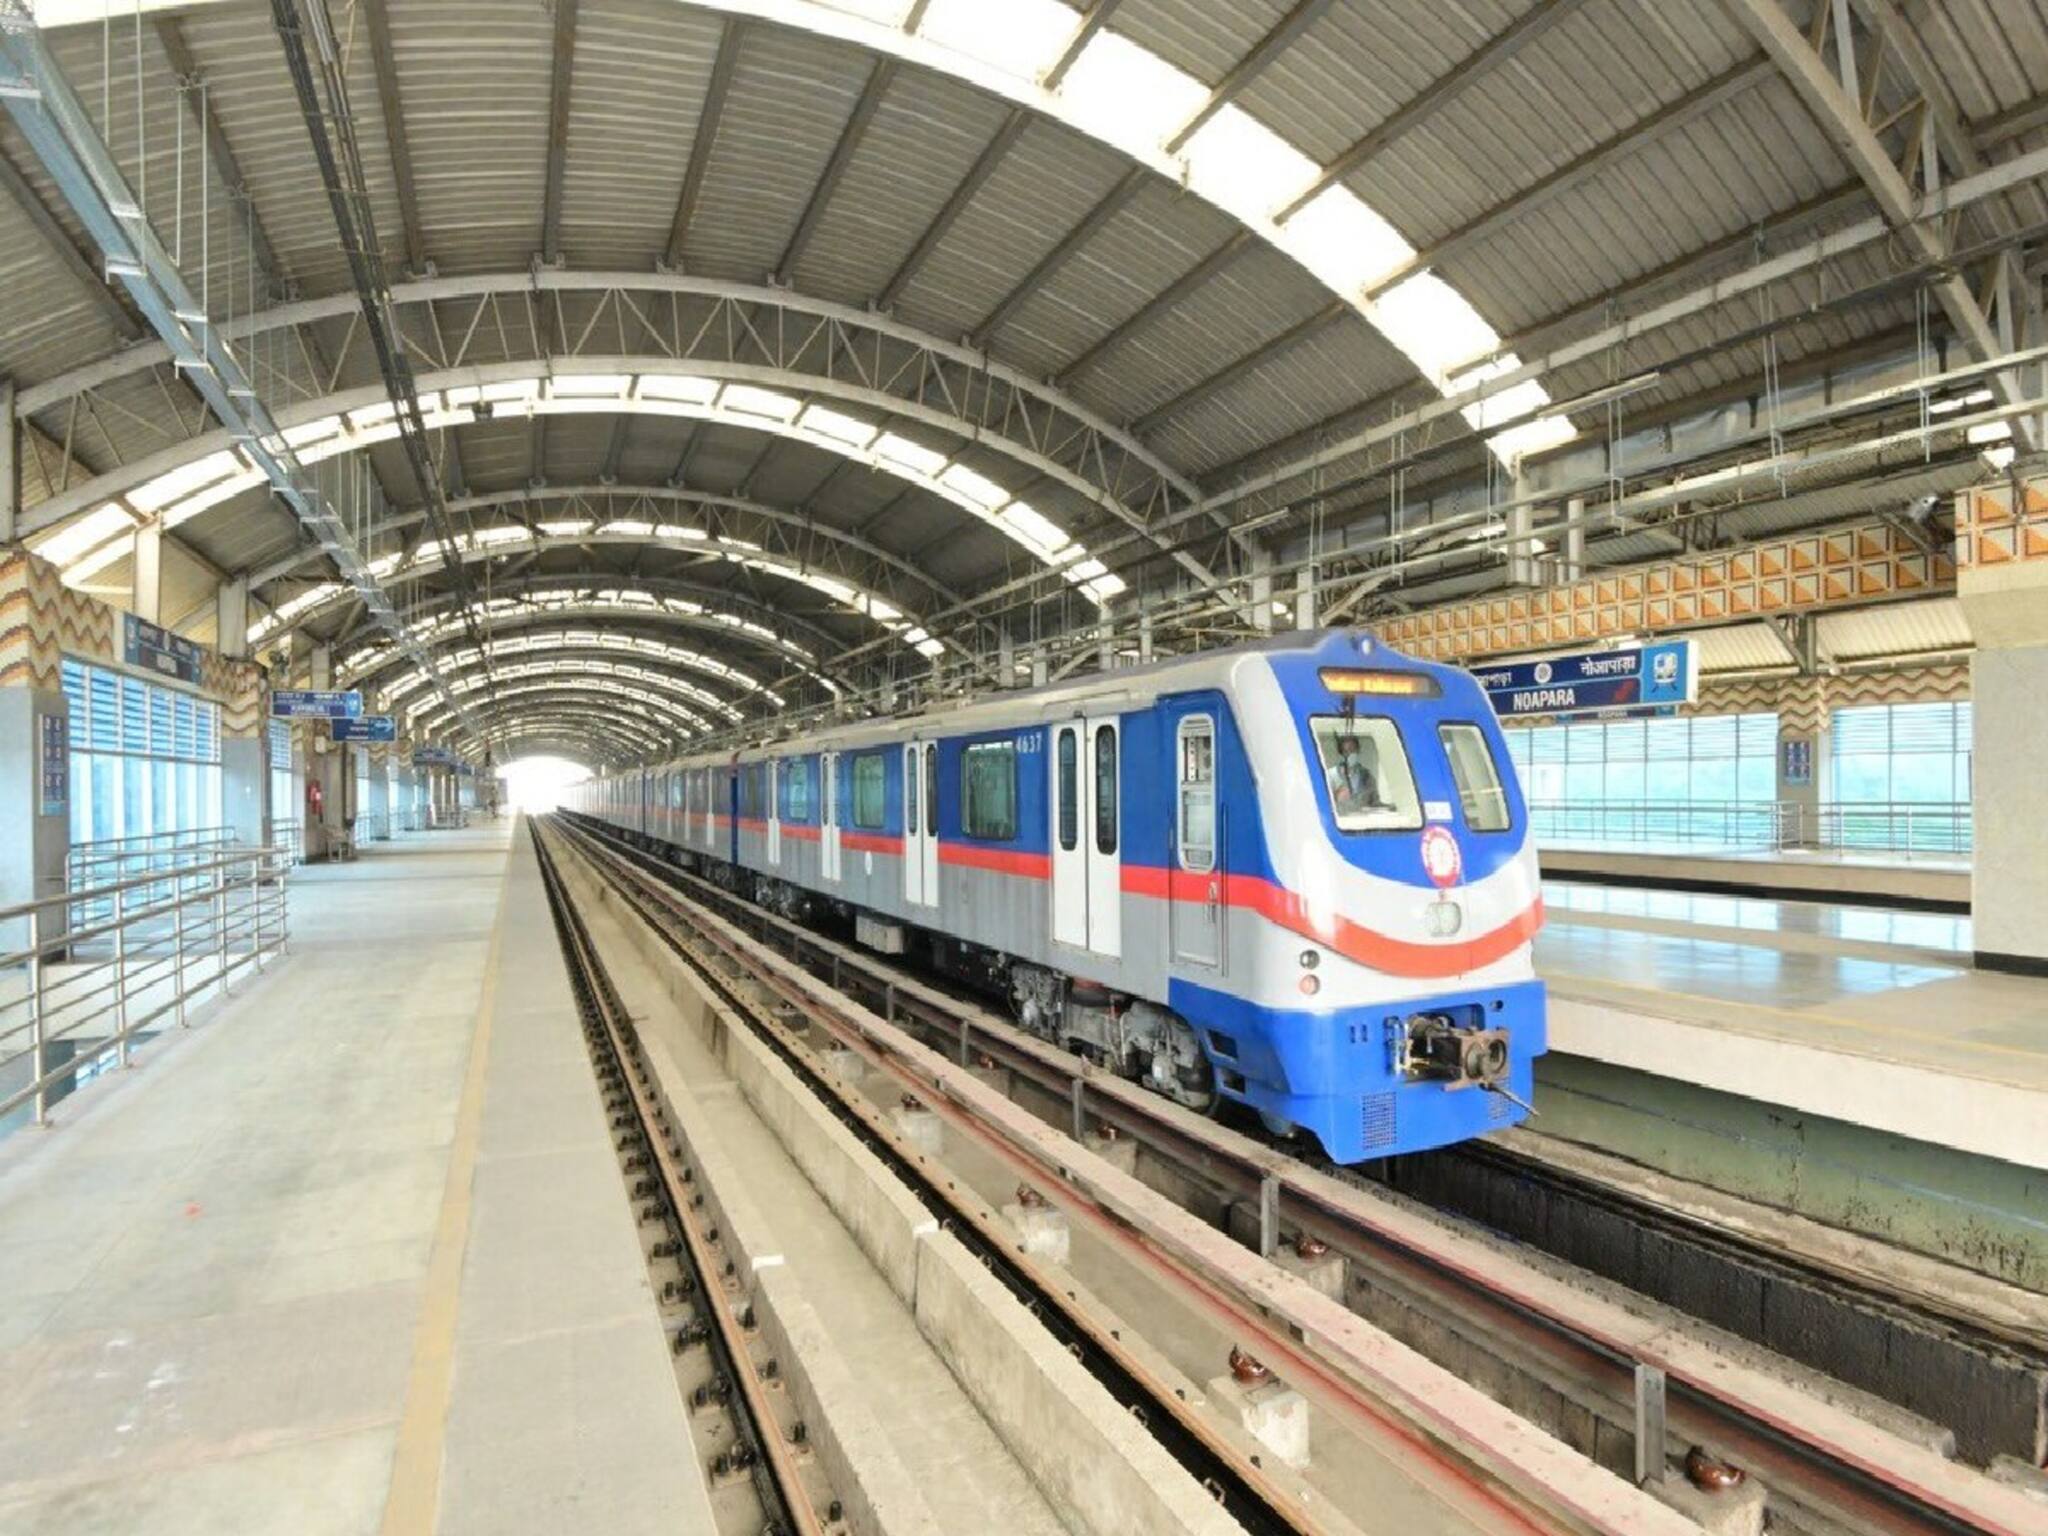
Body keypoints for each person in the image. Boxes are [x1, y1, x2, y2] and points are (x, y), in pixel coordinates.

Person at [1328, 733, 1380, 812]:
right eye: (1346, 751)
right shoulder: (1331, 775)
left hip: (1361, 820)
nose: (1350, 754)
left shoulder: (1367, 776)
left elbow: (1375, 802)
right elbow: (1324, 804)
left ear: (1358, 750)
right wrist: (1336, 796)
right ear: (1341, 753)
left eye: (1353, 750)